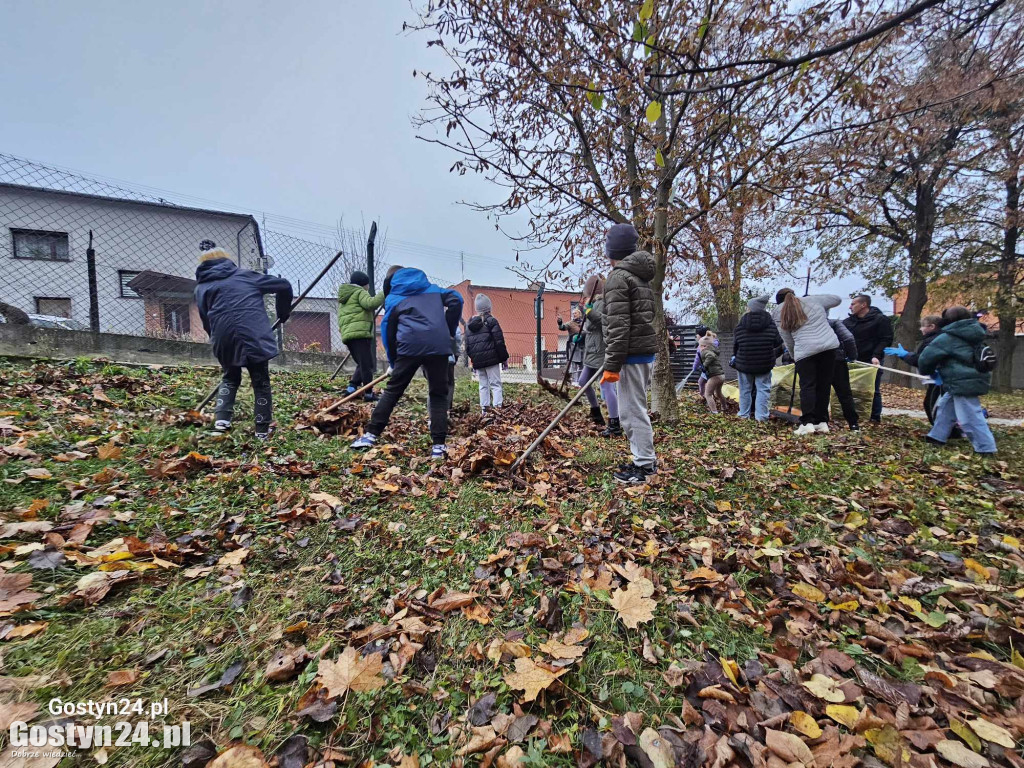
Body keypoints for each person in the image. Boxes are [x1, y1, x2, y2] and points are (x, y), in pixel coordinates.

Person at [350, 265, 463, 458]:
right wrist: (448, 330)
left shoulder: (394, 299)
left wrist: (394, 362)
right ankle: (438, 446)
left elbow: (387, 332)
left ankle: (370, 435)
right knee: (438, 394)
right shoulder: (434, 290)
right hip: (438, 346)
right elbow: (457, 299)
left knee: (393, 391)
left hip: (409, 347)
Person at [194, 244, 293, 440]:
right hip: (253, 335)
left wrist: (214, 338)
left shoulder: (201, 288)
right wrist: (283, 313)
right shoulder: (245, 276)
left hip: (223, 339)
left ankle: (221, 422)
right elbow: (284, 285)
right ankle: (262, 430)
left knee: (230, 377)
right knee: (261, 382)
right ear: (227, 261)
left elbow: (206, 320)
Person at [601, 223, 658, 484]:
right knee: (634, 408)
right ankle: (641, 459)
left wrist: (612, 364)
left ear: (611, 249)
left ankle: (644, 467)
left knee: (632, 411)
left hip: (630, 354)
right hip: (640, 352)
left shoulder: (618, 278)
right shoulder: (639, 275)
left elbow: (618, 325)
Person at [917, 306, 996, 455]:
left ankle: (986, 448)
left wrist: (927, 372)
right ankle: (936, 437)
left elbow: (926, 359)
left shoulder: (948, 338)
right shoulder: (976, 333)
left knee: (969, 416)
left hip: (961, 381)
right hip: (971, 378)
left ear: (948, 320)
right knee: (945, 408)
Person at [768, 289, 841, 435]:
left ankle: (807, 423)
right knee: (824, 385)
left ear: (778, 300)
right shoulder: (812, 301)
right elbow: (836, 299)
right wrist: (812, 298)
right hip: (829, 347)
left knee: (808, 386)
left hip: (805, 350)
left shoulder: (778, 311)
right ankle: (821, 422)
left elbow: (786, 337)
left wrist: (795, 355)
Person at [577, 276, 622, 435]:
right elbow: (591, 328)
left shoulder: (603, 303)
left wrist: (589, 313)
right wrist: (581, 335)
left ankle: (614, 424)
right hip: (592, 351)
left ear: (591, 292)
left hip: (601, 352)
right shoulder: (593, 304)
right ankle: (596, 413)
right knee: (583, 381)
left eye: (586, 292)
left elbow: (604, 322)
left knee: (606, 385)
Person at [732, 297, 784, 421]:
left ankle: (744, 415)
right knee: (763, 390)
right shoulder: (771, 325)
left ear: (750, 308)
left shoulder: (740, 326)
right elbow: (778, 342)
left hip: (744, 363)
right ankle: (761, 417)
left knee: (745, 390)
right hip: (764, 363)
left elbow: (736, 346)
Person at [843, 295, 893, 423]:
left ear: (863, 305)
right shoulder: (849, 322)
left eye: (853, 304)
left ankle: (875, 417)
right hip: (852, 359)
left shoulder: (880, 320)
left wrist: (876, 355)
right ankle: (854, 414)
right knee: (850, 388)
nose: (850, 306)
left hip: (872, 360)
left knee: (872, 389)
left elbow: (885, 339)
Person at [885, 315, 943, 423]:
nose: (920, 329)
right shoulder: (934, 339)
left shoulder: (934, 341)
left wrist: (905, 355)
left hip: (940, 380)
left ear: (932, 326)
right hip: (937, 379)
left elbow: (922, 360)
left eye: (923, 326)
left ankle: (946, 433)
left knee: (933, 405)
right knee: (931, 404)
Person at [337, 271, 385, 401]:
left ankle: (351, 388)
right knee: (367, 365)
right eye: (368, 285)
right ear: (364, 284)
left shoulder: (345, 297)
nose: (368, 287)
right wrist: (384, 292)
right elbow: (370, 304)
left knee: (363, 363)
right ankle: (368, 393)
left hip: (349, 335)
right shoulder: (360, 292)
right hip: (360, 333)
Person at [465, 294, 509, 412]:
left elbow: (468, 347)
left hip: (478, 362)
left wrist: (473, 360)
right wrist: (504, 359)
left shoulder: (469, 325)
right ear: (489, 308)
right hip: (492, 360)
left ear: (477, 309)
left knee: (483, 385)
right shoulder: (492, 321)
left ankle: (484, 411)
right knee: (495, 384)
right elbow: (499, 342)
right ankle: (497, 409)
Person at [827, 317, 861, 430]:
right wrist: (852, 356)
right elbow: (848, 338)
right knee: (844, 393)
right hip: (837, 359)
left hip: (816, 361)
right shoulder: (833, 323)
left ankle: (821, 421)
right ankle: (853, 423)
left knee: (819, 392)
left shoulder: (806, 324)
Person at [698, 333, 725, 413]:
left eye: (700, 346)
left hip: (714, 376)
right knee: (719, 393)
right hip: (721, 375)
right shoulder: (712, 349)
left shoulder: (706, 351)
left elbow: (711, 356)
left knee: (708, 394)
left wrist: (704, 365)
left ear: (705, 346)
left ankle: (714, 412)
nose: (699, 348)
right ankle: (724, 407)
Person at [558, 306, 586, 378]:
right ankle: (574, 380)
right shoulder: (570, 323)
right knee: (573, 364)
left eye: (575, 313)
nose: (574, 314)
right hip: (574, 346)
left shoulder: (584, 323)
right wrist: (560, 322)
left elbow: (587, 331)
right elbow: (562, 327)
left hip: (583, 346)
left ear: (579, 314)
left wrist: (582, 333)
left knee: (582, 365)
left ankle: (580, 380)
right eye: (573, 313)